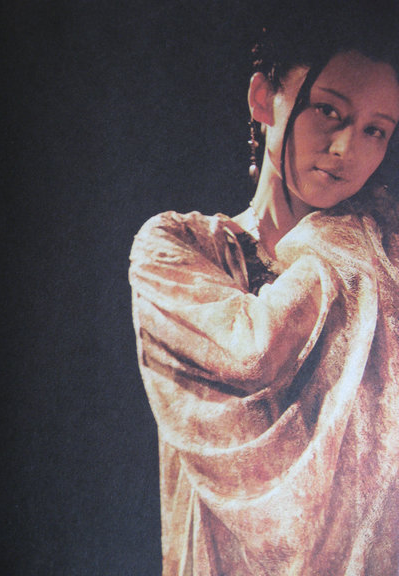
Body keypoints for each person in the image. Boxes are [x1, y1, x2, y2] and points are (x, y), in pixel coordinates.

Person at [129, 1, 399, 574]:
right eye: (328, 110)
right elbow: (252, 353)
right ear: (262, 98)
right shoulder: (177, 252)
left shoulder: (386, 266)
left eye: (375, 130)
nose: (347, 150)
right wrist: (343, 244)